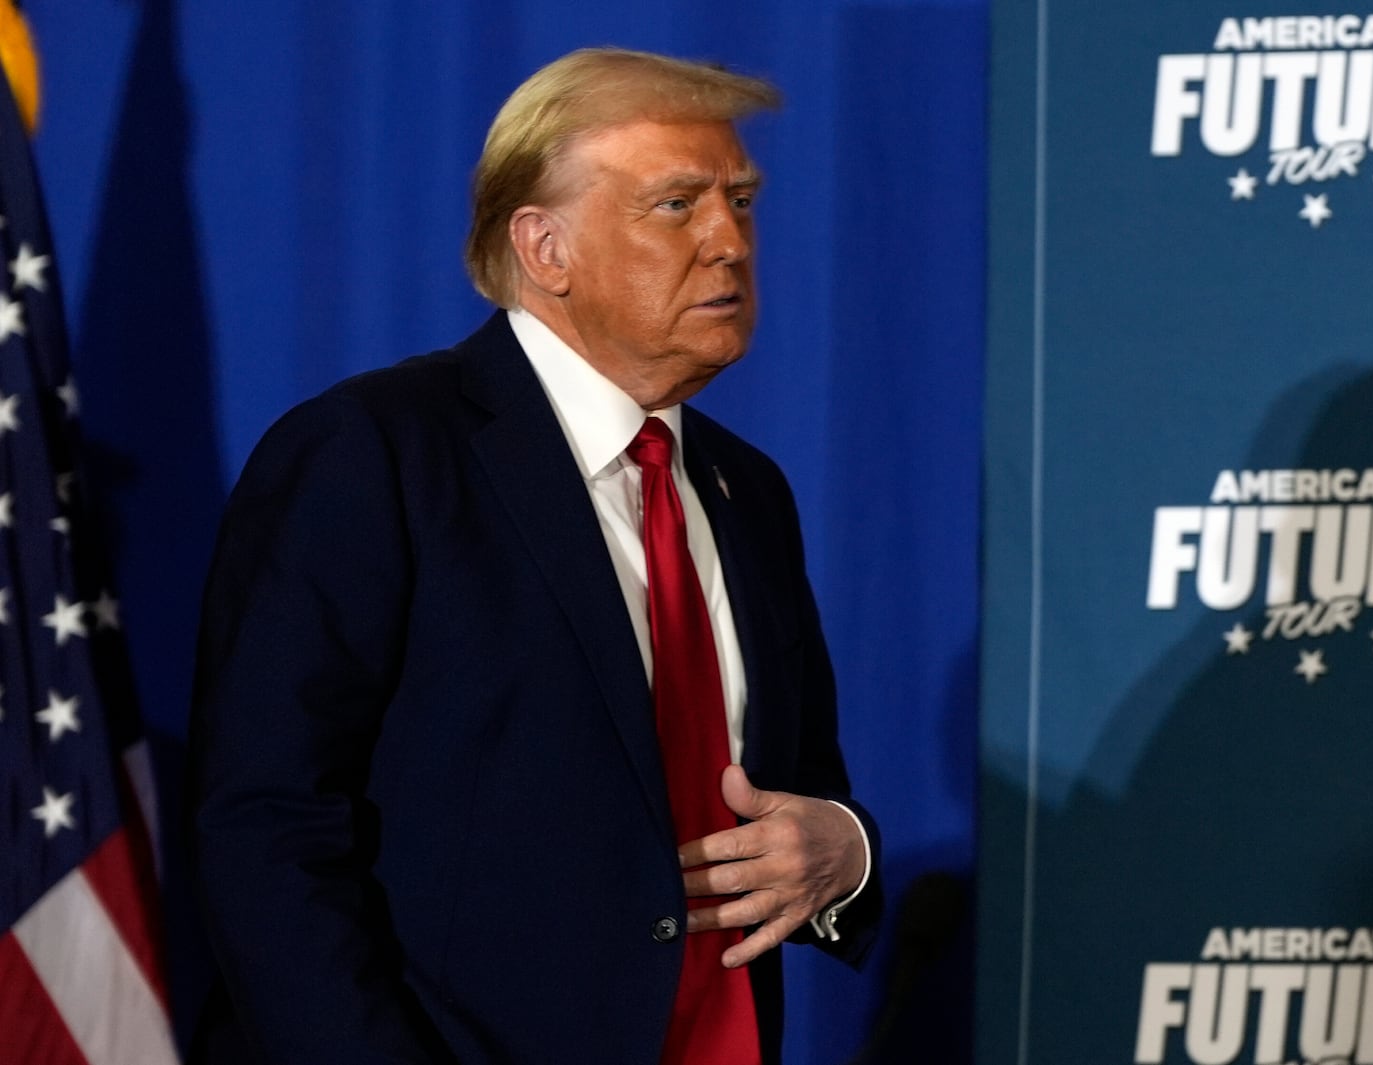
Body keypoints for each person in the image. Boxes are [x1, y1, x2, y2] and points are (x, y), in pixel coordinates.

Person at [189, 47, 880, 1064]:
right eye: (677, 205)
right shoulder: (373, 454)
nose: (729, 241)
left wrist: (843, 851)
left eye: (740, 200)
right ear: (544, 248)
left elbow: (797, 785)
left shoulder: (748, 492)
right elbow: (264, 827)